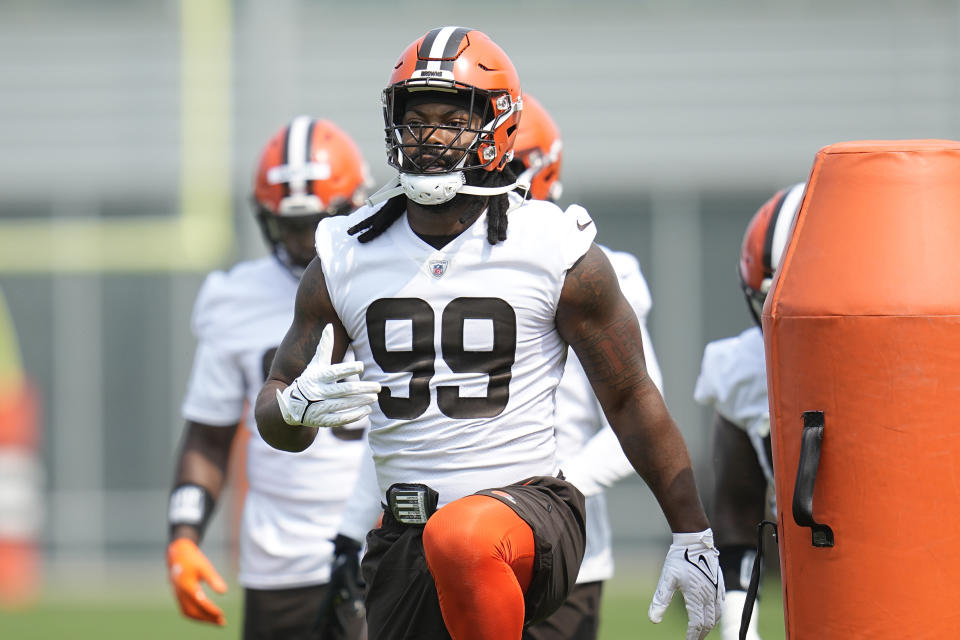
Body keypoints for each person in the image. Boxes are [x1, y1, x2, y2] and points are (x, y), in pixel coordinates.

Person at [255, 26, 724, 640]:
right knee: (447, 540)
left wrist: (693, 533)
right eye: (415, 119)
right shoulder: (344, 253)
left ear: (498, 124)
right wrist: (292, 409)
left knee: (464, 536)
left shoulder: (552, 244)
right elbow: (276, 422)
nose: (430, 137)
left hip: (530, 515)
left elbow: (632, 397)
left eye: (452, 118)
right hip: (404, 533)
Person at [166, 116, 371, 639]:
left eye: (319, 222)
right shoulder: (234, 297)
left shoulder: (392, 279)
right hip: (282, 555)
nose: (305, 240)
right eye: (290, 224)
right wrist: (184, 534)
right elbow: (208, 437)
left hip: (386, 540)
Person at [508, 94, 665, 640]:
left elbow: (638, 416)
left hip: (562, 551)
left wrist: (550, 494)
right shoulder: (430, 270)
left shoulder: (589, 269)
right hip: (446, 534)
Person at [693, 182, 804, 640]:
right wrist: (741, 629)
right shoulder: (744, 369)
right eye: (777, 310)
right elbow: (738, 519)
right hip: (814, 573)